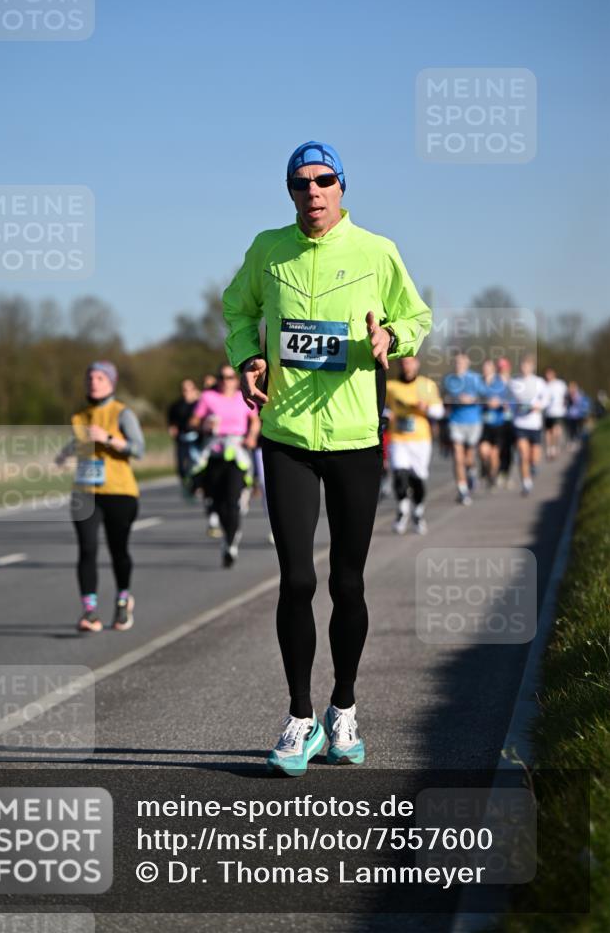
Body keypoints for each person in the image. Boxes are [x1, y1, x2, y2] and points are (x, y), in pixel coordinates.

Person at [223, 140, 431, 777]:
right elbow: (238, 309)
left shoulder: (377, 250)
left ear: (342, 187)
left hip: (354, 438)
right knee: (297, 580)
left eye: (323, 181)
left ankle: (343, 707)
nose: (311, 192)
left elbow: (417, 316)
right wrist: (246, 358)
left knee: (346, 582)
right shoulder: (268, 248)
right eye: (299, 183)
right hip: (285, 433)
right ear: (289, 192)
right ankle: (299, 716)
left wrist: (390, 335)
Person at [56, 361, 145, 632]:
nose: (93, 382)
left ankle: (122, 600)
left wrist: (107, 438)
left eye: (99, 378)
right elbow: (80, 440)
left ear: (111, 382)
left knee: (118, 550)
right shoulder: (79, 415)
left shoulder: (122, 413)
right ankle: (89, 612)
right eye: (90, 377)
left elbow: (138, 449)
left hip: (120, 492)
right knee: (87, 548)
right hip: (85, 492)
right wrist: (64, 453)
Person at [188, 364, 261, 566]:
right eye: (222, 377)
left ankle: (230, 544)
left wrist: (252, 437)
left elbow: (254, 420)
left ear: (236, 380)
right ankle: (226, 536)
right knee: (216, 501)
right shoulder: (208, 398)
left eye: (230, 377)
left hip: (236, 453)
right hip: (214, 452)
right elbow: (193, 421)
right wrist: (204, 425)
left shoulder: (243, 396)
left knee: (232, 501)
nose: (225, 380)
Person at [385, 356, 444, 534]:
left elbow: (439, 411)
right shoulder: (391, 386)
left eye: (410, 362)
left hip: (420, 439)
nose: (406, 365)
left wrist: (426, 407)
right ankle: (402, 511)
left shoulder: (426, 385)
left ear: (417, 363)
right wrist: (387, 414)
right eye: (403, 362)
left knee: (417, 478)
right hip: (398, 437)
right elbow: (383, 407)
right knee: (399, 474)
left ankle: (418, 512)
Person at [441, 351, 484, 505]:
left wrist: (473, 399)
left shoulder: (475, 378)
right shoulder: (448, 380)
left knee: (469, 458)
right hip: (456, 421)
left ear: (467, 363)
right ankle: (462, 490)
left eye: (461, 362)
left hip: (473, 421)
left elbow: (484, 396)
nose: (459, 365)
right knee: (458, 458)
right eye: (456, 362)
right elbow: (443, 398)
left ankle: (471, 472)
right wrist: (455, 399)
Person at [507, 354, 548, 496]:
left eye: (527, 365)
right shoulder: (514, 382)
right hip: (519, 423)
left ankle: (533, 466)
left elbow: (546, 399)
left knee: (534, 456)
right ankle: (526, 482)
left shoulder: (539, 382)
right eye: (522, 365)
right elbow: (510, 401)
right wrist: (514, 408)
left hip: (534, 424)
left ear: (532, 367)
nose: (524, 368)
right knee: (523, 453)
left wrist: (539, 406)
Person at [167, 378, 201, 495]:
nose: (186, 392)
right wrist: (172, 429)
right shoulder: (176, 405)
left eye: (189, 389)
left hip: (197, 438)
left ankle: (197, 485)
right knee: (181, 466)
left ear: (194, 389)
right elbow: (172, 422)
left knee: (197, 464)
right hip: (182, 438)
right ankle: (186, 483)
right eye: (184, 390)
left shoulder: (199, 404)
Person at [478, 358, 508, 488]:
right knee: (483, 452)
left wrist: (499, 403)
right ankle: (485, 468)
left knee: (494, 454)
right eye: (484, 368)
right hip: (483, 424)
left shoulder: (500, 383)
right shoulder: (478, 383)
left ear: (493, 369)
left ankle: (493, 475)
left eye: (488, 368)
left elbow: (508, 401)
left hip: (498, 424)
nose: (486, 370)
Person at [496, 356, 515, 487]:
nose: (503, 370)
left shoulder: (514, 383)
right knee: (498, 448)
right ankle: (499, 473)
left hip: (511, 420)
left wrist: (511, 405)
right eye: (500, 368)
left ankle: (507, 473)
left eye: (504, 368)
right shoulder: (495, 382)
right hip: (498, 419)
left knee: (508, 449)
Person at [542, 366, 568, 460]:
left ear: (554, 374)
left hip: (558, 412)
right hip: (547, 412)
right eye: (546, 374)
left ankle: (555, 447)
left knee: (555, 430)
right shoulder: (544, 385)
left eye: (550, 374)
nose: (548, 376)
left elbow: (566, 396)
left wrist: (564, 405)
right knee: (548, 432)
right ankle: (549, 448)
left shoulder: (560, 384)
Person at [566, 381, 591, 449]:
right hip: (570, 416)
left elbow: (584, 404)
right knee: (571, 430)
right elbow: (566, 405)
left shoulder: (580, 395)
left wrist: (585, 412)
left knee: (579, 429)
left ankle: (581, 442)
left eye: (572, 387)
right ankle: (573, 442)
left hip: (579, 415)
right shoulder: (567, 396)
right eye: (570, 387)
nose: (571, 389)